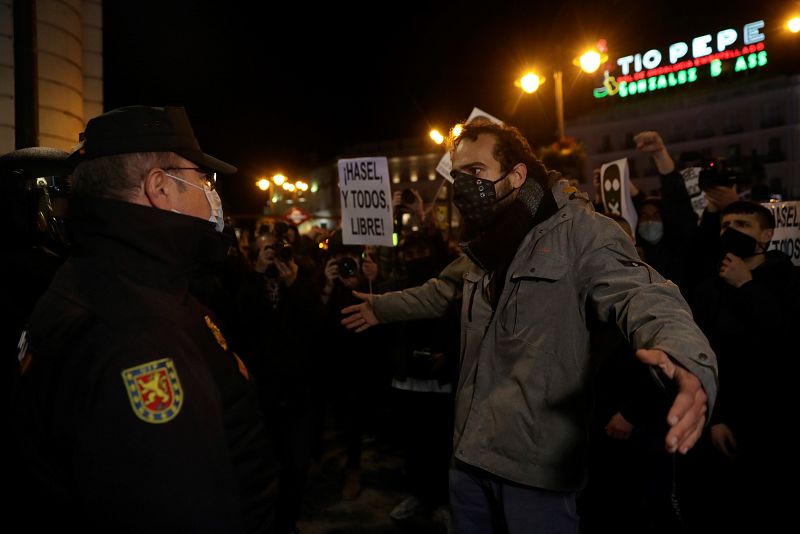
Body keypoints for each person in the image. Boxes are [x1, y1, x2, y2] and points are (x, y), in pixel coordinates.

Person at [341, 117, 718, 533]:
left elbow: (642, 293)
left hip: (534, 469)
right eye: (458, 172)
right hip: (468, 455)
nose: (463, 184)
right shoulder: (486, 245)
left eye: (476, 171)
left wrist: (688, 359)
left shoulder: (581, 231)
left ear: (517, 174)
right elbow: (439, 291)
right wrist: (380, 308)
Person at [11, 105, 279, 532]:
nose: (212, 192)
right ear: (160, 187)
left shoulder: (101, 276)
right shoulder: (140, 335)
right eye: (201, 179)